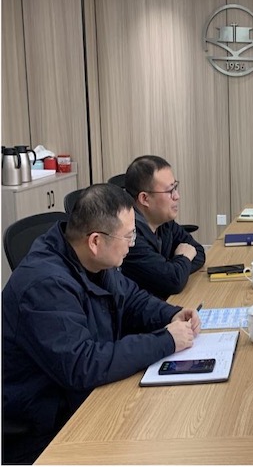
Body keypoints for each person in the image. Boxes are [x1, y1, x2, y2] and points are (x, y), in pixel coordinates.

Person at [2, 184, 200, 464]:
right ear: (95, 241)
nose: (133, 244)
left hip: (83, 397)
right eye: (129, 236)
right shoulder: (44, 285)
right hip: (44, 426)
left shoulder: (90, 259)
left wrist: (171, 314)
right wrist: (165, 341)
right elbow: (82, 364)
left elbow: (131, 298)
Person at [120, 155, 205, 298]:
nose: (177, 196)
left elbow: (198, 252)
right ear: (144, 199)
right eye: (170, 191)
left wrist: (174, 268)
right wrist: (182, 259)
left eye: (175, 187)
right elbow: (173, 281)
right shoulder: (129, 237)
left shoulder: (163, 221)